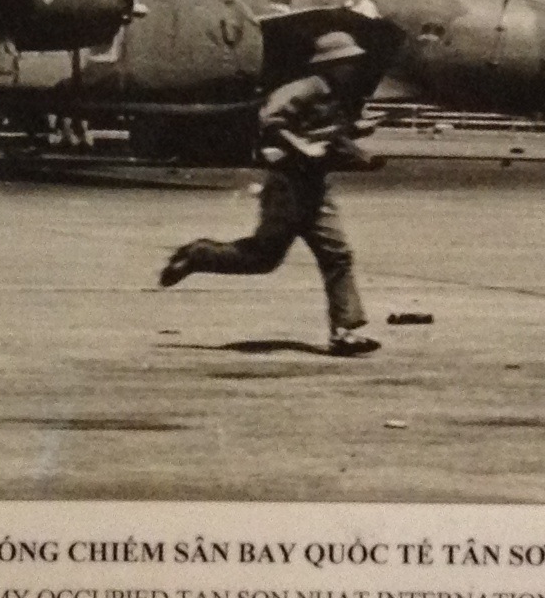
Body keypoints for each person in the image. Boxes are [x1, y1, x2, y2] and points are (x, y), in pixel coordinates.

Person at [158, 29, 382, 356]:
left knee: (337, 254)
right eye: (347, 61)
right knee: (263, 258)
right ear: (330, 63)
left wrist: (358, 140)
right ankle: (200, 254)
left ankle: (344, 332)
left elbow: (327, 134)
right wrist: (301, 147)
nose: (352, 67)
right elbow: (269, 118)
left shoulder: (337, 93)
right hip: (288, 185)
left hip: (315, 186)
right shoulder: (304, 88)